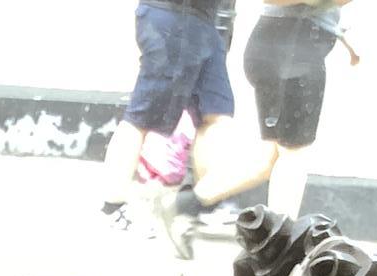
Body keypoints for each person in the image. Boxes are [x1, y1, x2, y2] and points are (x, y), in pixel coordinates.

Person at [159, 0, 358, 254]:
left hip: (281, 46)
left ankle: (184, 205)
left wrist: (346, 40)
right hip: (294, 49)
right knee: (294, 156)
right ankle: (278, 246)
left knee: (269, 157)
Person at [102, 0, 237, 233]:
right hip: (172, 17)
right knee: (141, 116)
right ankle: (113, 208)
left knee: (216, 113)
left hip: (203, 21)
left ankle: (204, 205)